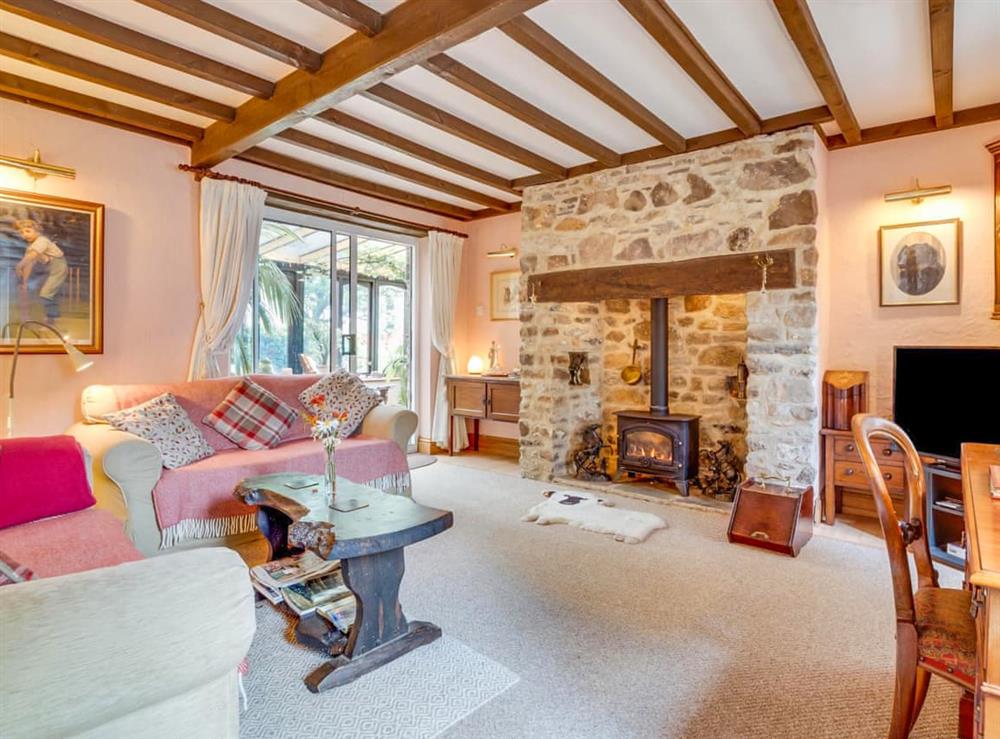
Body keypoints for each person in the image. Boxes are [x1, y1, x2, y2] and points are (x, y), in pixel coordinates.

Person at [14, 219, 67, 322]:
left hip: (59, 267)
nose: (24, 235)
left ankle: (51, 320)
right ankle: (52, 318)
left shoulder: (42, 240)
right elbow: (28, 264)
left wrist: (18, 266)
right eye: (21, 232)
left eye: (28, 231)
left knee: (45, 293)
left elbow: (30, 257)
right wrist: (24, 283)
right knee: (46, 294)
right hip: (50, 268)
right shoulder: (30, 248)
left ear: (37, 231)